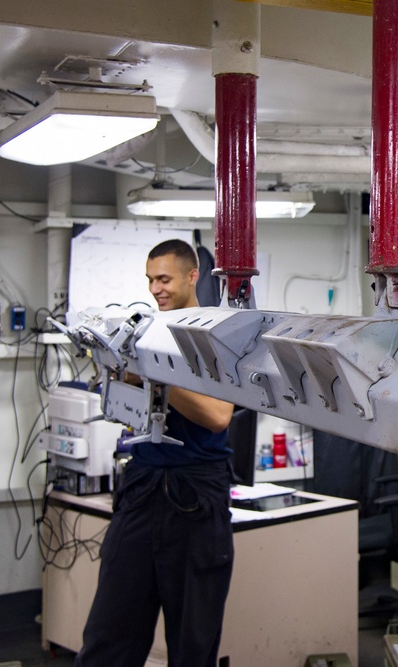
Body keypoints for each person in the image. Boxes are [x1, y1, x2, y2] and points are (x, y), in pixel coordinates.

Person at [75, 239, 235, 667]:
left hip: (196, 496)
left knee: (191, 645)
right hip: (143, 487)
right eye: (150, 280)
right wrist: (118, 367)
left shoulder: (217, 333)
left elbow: (219, 416)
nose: (155, 289)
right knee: (108, 636)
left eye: (163, 279)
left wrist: (153, 371)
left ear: (192, 275)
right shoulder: (146, 329)